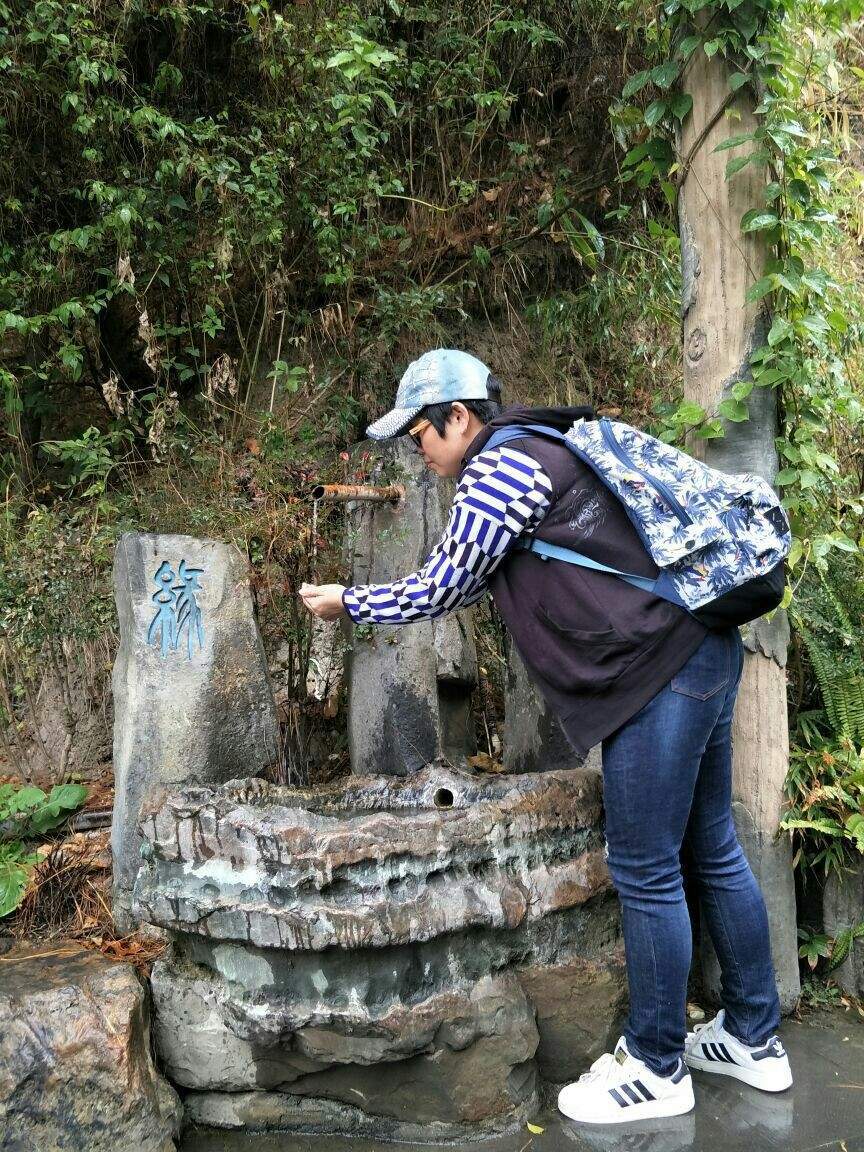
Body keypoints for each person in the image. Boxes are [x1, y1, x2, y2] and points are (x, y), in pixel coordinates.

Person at [299, 348, 792, 1125]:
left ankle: (658, 1065)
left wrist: (349, 603)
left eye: (419, 437)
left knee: (646, 866)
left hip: (655, 668)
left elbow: (446, 582)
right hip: (697, 646)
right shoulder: (548, 444)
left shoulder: (502, 465)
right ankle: (754, 1038)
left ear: (457, 417)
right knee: (710, 846)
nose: (418, 455)